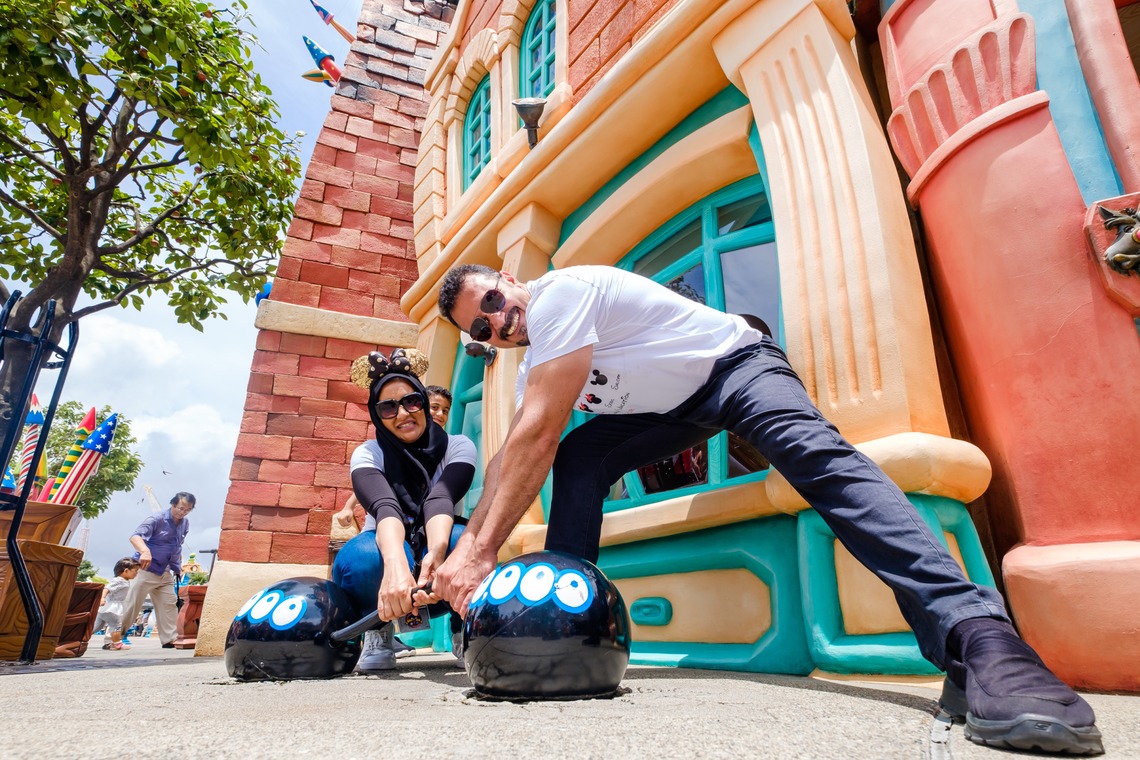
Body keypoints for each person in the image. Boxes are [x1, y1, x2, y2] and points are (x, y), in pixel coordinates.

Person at [428, 264, 1103, 756]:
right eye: (482, 327)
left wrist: (478, 551)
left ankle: (977, 637)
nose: (498, 320)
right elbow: (519, 451)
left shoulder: (563, 294)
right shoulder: (530, 365)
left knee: (817, 458)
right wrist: (464, 553)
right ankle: (561, 633)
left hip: (735, 365)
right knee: (580, 459)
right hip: (675, 409)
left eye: (493, 300)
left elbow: (537, 430)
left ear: (512, 280)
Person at [331, 348, 476, 672]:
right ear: (376, 413)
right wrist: (396, 565)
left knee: (464, 542)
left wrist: (436, 554)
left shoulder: (459, 446)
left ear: (422, 402)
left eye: (411, 401)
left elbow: (441, 497)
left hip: (434, 566)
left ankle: (463, 628)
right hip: (386, 552)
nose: (402, 414)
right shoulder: (368, 454)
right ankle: (377, 632)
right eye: (387, 407)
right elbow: (386, 508)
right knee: (364, 559)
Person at [120, 492, 195, 649]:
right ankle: (114, 638)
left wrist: (177, 566)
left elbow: (176, 545)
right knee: (132, 604)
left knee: (169, 603)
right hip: (146, 569)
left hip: (166, 571)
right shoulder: (156, 519)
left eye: (188, 510)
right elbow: (135, 537)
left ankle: (170, 639)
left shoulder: (185, 523)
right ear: (173, 504)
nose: (183, 512)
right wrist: (145, 551)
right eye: (181, 508)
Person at [91, 557, 140, 651]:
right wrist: (102, 598)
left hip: (107, 607)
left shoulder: (124, 581)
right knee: (116, 625)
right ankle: (117, 644)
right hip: (111, 607)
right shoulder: (119, 580)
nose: (136, 573)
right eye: (135, 570)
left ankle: (79, 637)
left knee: (96, 626)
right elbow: (107, 588)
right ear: (126, 570)